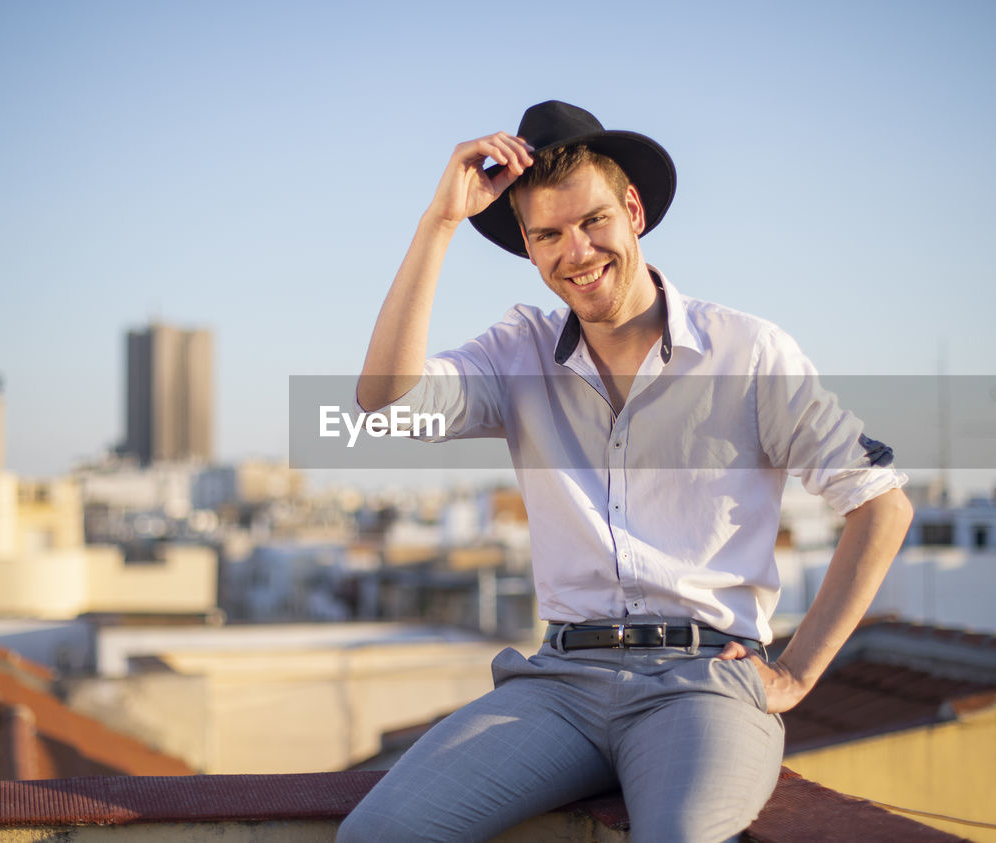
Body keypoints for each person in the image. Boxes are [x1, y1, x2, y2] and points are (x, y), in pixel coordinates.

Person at [338, 101, 913, 843]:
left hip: (703, 682)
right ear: (528, 246)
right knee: (378, 833)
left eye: (592, 223)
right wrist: (439, 224)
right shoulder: (517, 352)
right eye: (548, 235)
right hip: (558, 685)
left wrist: (798, 672)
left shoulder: (748, 351)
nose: (575, 252)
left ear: (633, 210)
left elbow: (881, 506)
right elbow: (386, 404)